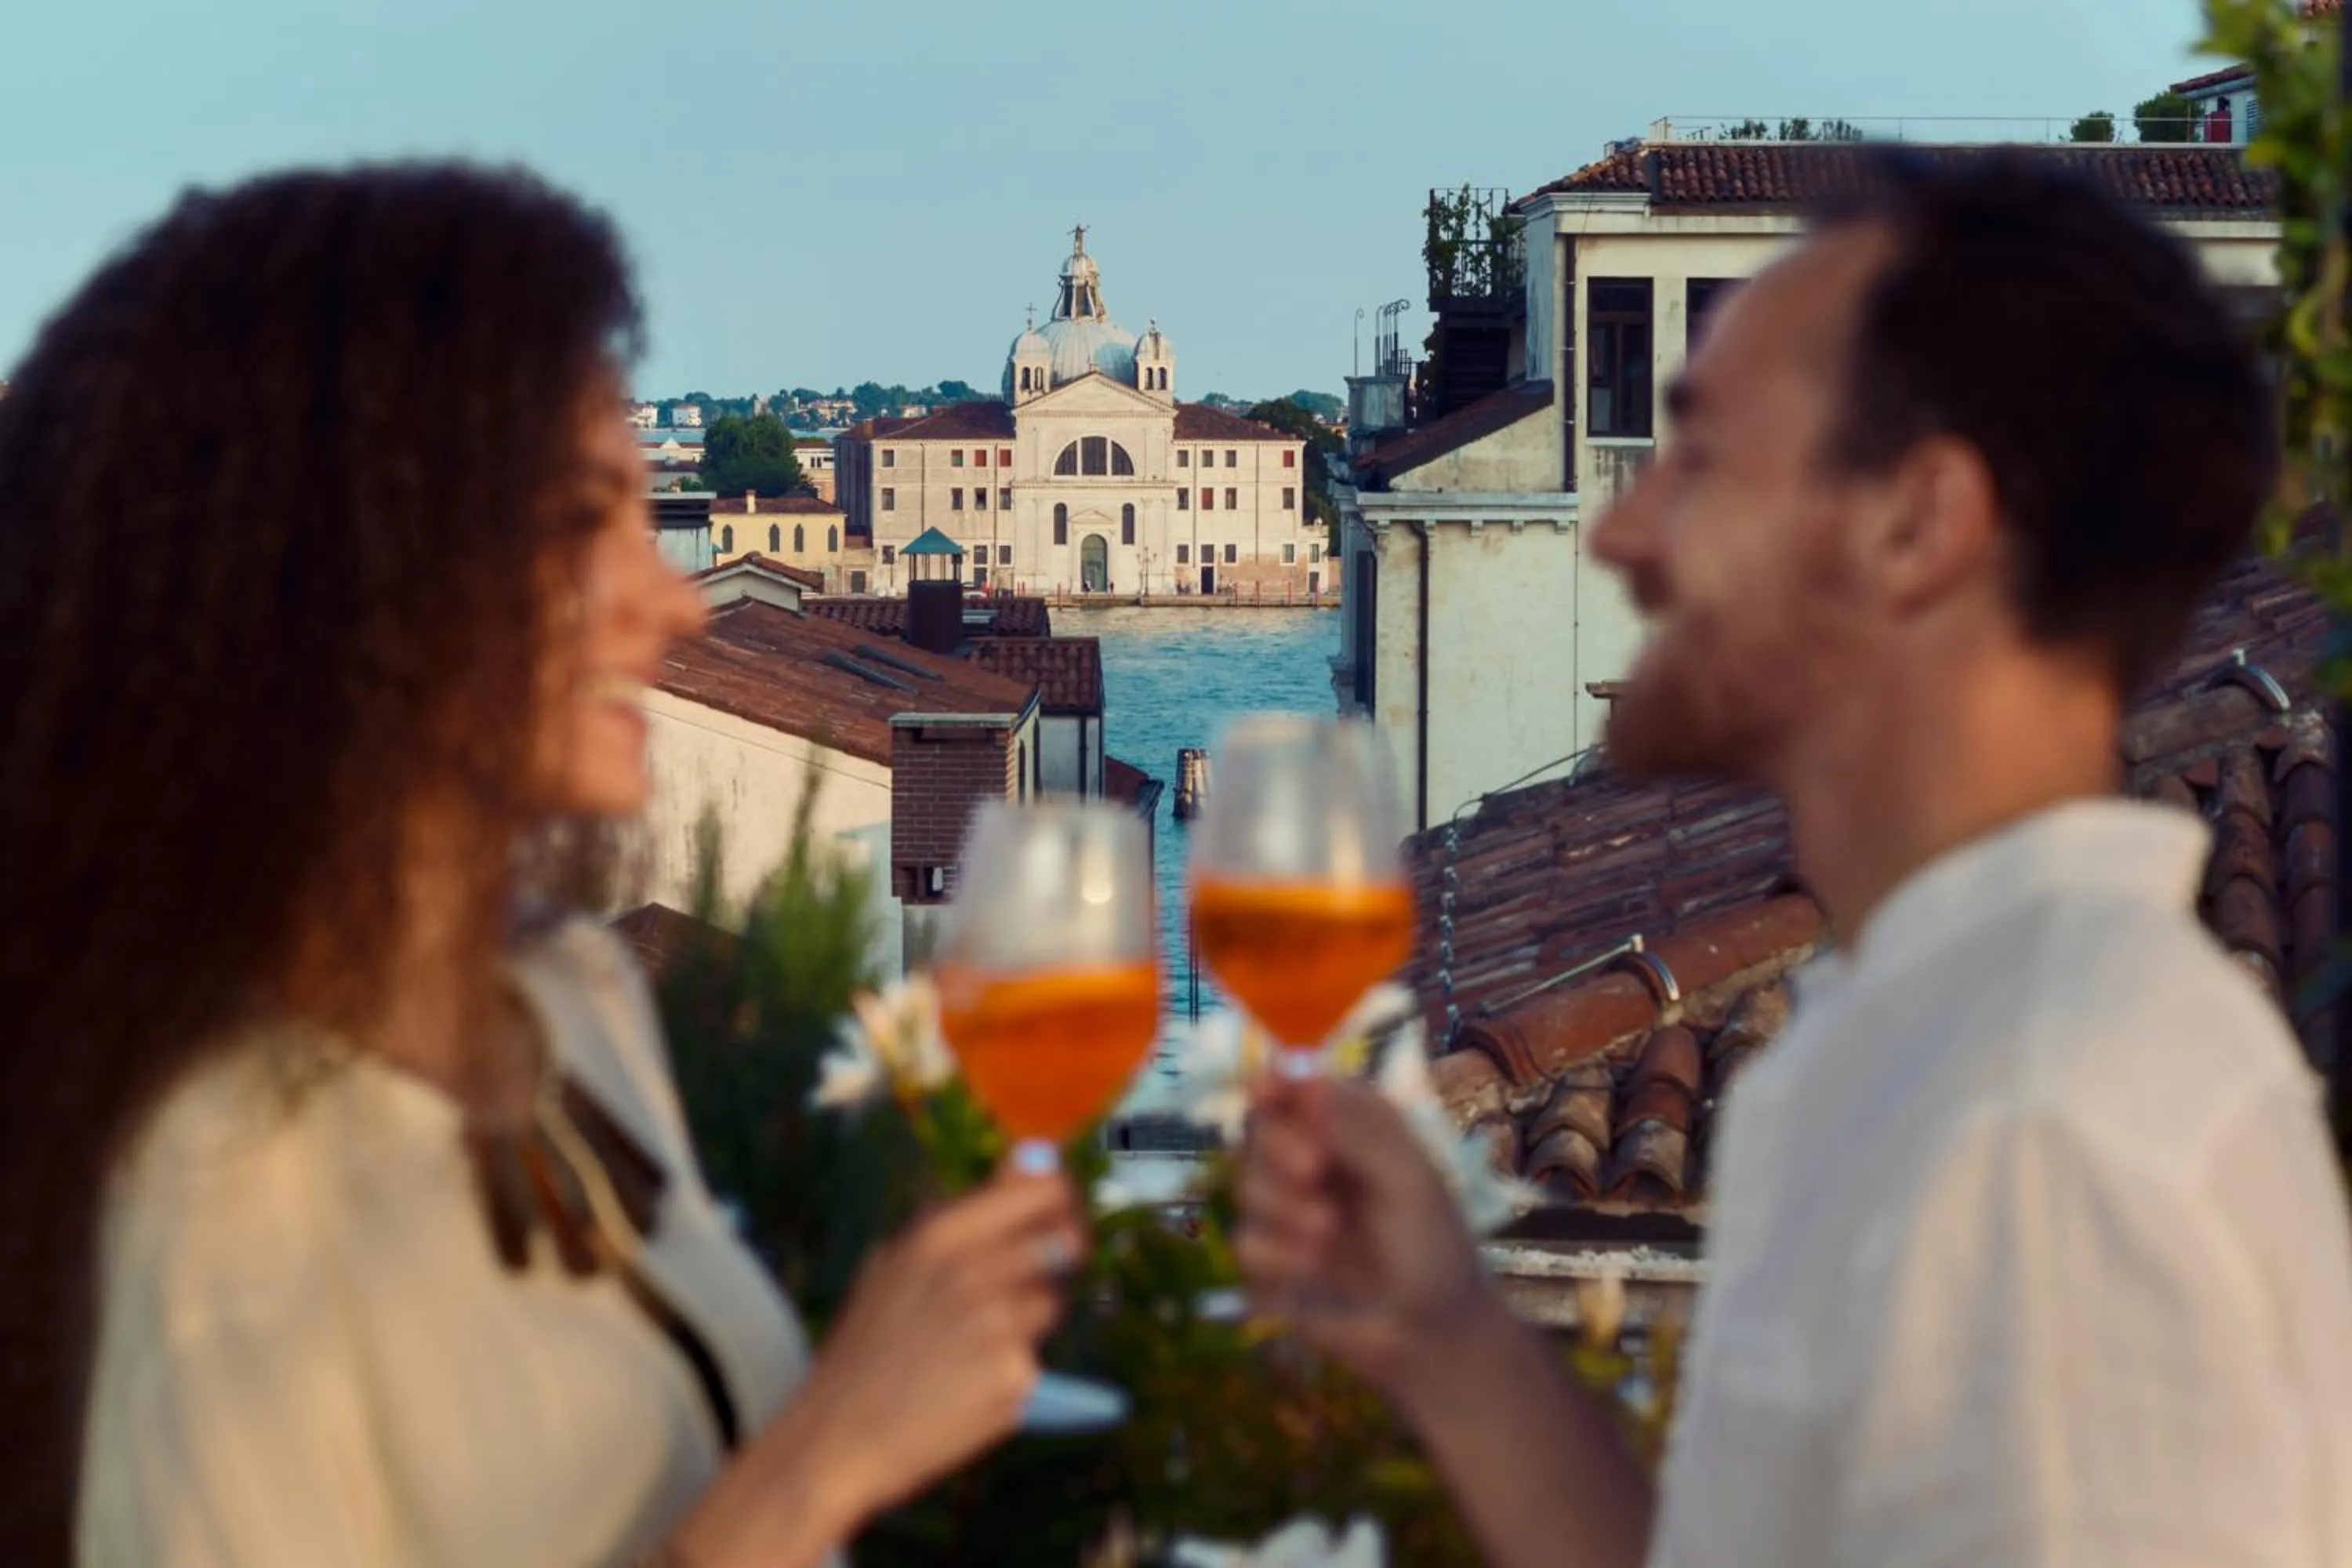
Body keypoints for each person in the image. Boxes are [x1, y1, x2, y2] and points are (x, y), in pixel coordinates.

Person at [1240, 149, 2352, 1566]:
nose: (1629, 523)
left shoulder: (2067, 1141)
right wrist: (1453, 1332)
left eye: (1703, 454)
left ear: (1918, 525)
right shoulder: (1905, 1053)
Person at [0, 165, 1083, 1567]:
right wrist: (827, 1461)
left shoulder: (570, 1003)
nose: (674, 597)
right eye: (584, 523)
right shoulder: (220, 1189)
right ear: (337, 573)